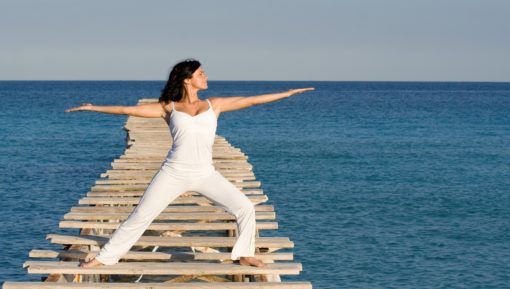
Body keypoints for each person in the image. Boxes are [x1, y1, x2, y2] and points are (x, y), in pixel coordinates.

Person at [65, 58, 314, 268]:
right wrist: (93, 107)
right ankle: (103, 258)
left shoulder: (213, 105)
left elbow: (252, 100)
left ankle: (245, 255)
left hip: (205, 173)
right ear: (187, 79)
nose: (205, 77)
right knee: (141, 216)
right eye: (200, 74)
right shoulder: (168, 108)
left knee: (245, 207)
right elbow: (124, 110)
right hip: (173, 172)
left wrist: (288, 93)